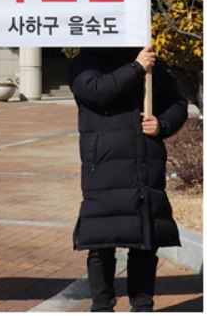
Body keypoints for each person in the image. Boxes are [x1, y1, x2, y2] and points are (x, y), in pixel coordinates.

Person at [69, 46, 188, 312]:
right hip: (103, 165)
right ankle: (102, 306)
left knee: (146, 241)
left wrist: (162, 124)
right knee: (101, 241)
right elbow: (97, 92)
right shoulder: (84, 63)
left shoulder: (150, 63)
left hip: (145, 163)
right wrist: (136, 68)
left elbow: (177, 103)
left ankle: (142, 305)